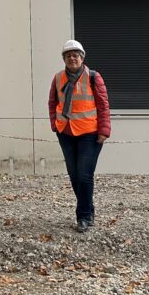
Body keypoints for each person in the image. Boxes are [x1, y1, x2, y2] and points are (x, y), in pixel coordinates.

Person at [48, 39, 110, 233]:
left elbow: (103, 105)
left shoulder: (93, 77)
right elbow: (52, 103)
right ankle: (89, 210)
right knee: (74, 176)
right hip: (66, 132)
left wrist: (103, 131)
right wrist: (54, 126)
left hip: (89, 134)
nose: (72, 58)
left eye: (75, 55)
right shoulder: (58, 78)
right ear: (64, 59)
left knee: (84, 175)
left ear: (82, 57)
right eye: (68, 56)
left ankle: (83, 217)